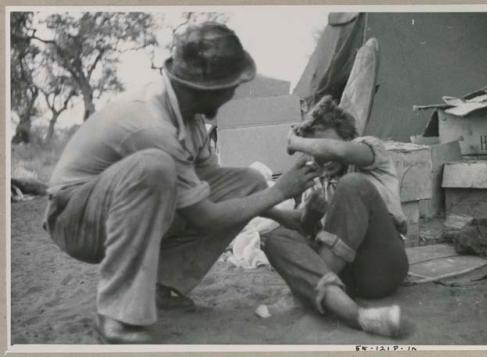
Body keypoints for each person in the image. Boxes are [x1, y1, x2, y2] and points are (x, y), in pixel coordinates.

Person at [43, 22, 319, 344]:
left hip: (113, 206)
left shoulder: (191, 119)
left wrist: (283, 213)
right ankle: (116, 315)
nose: (234, 92)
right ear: (208, 88)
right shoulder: (150, 122)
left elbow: (215, 193)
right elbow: (206, 216)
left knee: (247, 180)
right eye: (232, 85)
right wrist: (281, 190)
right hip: (74, 217)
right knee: (154, 167)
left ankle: (160, 286)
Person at [262, 95, 410, 337]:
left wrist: (294, 141)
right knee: (276, 237)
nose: (322, 156)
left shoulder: (369, 150)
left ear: (347, 137)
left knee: (352, 185)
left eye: (322, 145)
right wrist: (309, 216)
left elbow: (337, 151)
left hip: (380, 267)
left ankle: (308, 293)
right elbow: (307, 228)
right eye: (315, 150)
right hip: (343, 280)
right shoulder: (317, 180)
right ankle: (353, 312)